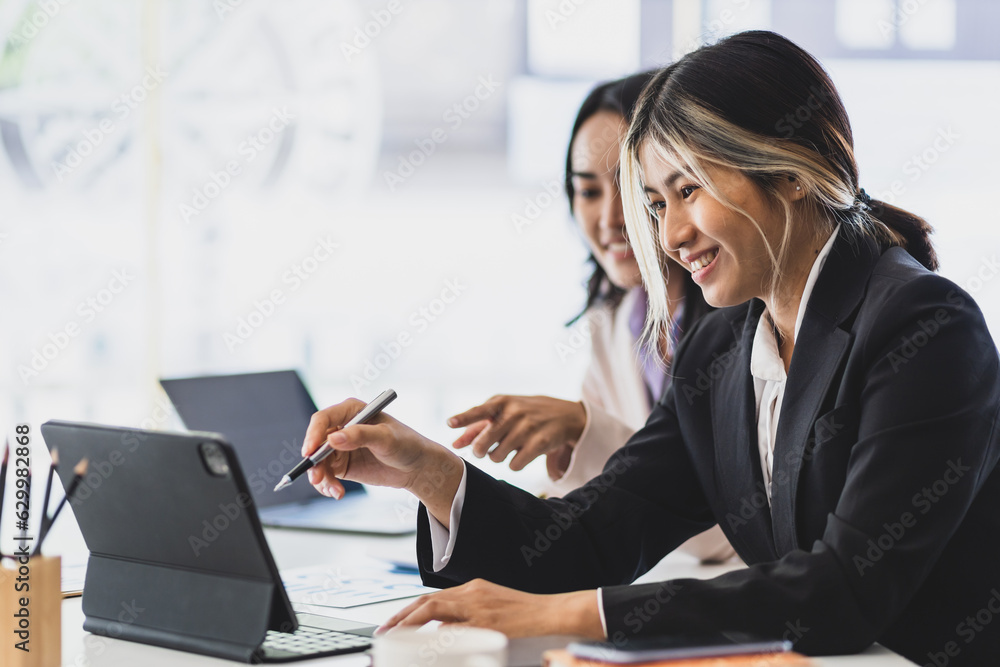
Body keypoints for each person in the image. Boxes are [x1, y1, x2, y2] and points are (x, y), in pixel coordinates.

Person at [303, 31, 1000, 664]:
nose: (669, 238)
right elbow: (589, 538)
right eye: (659, 205)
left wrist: (576, 613)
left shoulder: (924, 326)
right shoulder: (720, 346)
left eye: (688, 190)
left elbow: (843, 590)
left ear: (792, 171)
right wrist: (428, 470)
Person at [446, 73, 734, 562]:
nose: (609, 219)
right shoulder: (616, 324)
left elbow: (716, 526)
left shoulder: (743, 320)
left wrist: (583, 429)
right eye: (588, 191)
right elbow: (591, 504)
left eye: (629, 184)